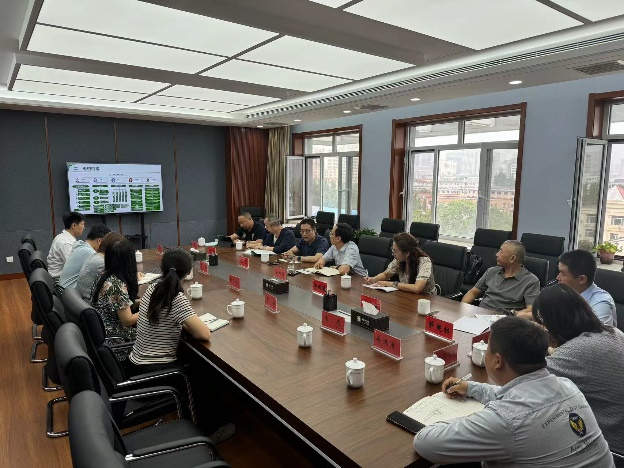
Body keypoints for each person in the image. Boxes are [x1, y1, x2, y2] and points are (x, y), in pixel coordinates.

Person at [413, 316, 614, 467]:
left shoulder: (506, 421)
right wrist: (473, 388)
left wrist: (475, 420)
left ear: (497, 361)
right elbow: (520, 396)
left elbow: (425, 443)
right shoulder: (567, 386)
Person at [533, 283, 624, 454]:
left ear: (554, 323)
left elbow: (527, 382)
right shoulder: (612, 332)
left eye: (545, 325)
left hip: (608, 449)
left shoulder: (576, 352)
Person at [128, 248, 211, 374]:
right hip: (156, 370)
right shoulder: (176, 298)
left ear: (162, 269)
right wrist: (184, 323)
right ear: (189, 272)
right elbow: (204, 334)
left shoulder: (153, 288)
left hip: (136, 363)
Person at [462, 240, 540, 314]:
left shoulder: (531, 281)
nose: (497, 254)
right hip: (480, 315)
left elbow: (531, 310)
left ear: (512, 258)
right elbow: (473, 293)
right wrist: (462, 309)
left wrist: (514, 315)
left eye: (501, 252)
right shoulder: (491, 271)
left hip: (505, 320)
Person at [90, 238, 139, 347]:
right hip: (117, 340)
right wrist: (151, 309)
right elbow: (127, 320)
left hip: (103, 334)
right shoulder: (116, 286)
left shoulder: (104, 275)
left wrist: (143, 302)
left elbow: (120, 305)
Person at [556, 249, 617, 326]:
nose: (557, 277)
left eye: (563, 274)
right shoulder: (566, 293)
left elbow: (598, 333)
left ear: (582, 279)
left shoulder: (601, 304)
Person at [364, 232, 436, 294]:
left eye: (395, 251)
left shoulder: (424, 262)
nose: (393, 254)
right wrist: (373, 279)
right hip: (407, 294)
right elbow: (386, 274)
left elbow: (417, 288)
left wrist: (391, 284)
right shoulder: (399, 260)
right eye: (392, 250)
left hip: (426, 299)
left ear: (407, 253)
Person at [57, 224, 111, 294]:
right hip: (70, 294)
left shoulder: (80, 246)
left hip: (64, 291)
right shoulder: (90, 253)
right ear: (99, 241)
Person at [75, 232, 126, 301]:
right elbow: (121, 282)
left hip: (83, 301)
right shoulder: (103, 262)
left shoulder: (95, 256)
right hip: (91, 303)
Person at [47, 211, 85, 279]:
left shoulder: (63, 237)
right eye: (82, 224)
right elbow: (74, 267)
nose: (84, 227)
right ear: (74, 226)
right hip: (58, 280)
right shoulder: (65, 243)